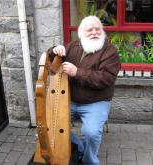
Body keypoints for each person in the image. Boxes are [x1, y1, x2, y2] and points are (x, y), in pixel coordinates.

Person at [48, 16, 121, 165]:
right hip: (71, 100)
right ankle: (80, 148)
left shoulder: (110, 52)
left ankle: (89, 161)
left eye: (98, 29)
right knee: (52, 124)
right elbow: (51, 59)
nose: (94, 32)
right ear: (81, 33)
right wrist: (53, 50)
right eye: (90, 30)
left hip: (96, 101)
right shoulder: (73, 46)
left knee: (91, 133)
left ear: (102, 32)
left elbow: (106, 78)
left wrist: (77, 72)